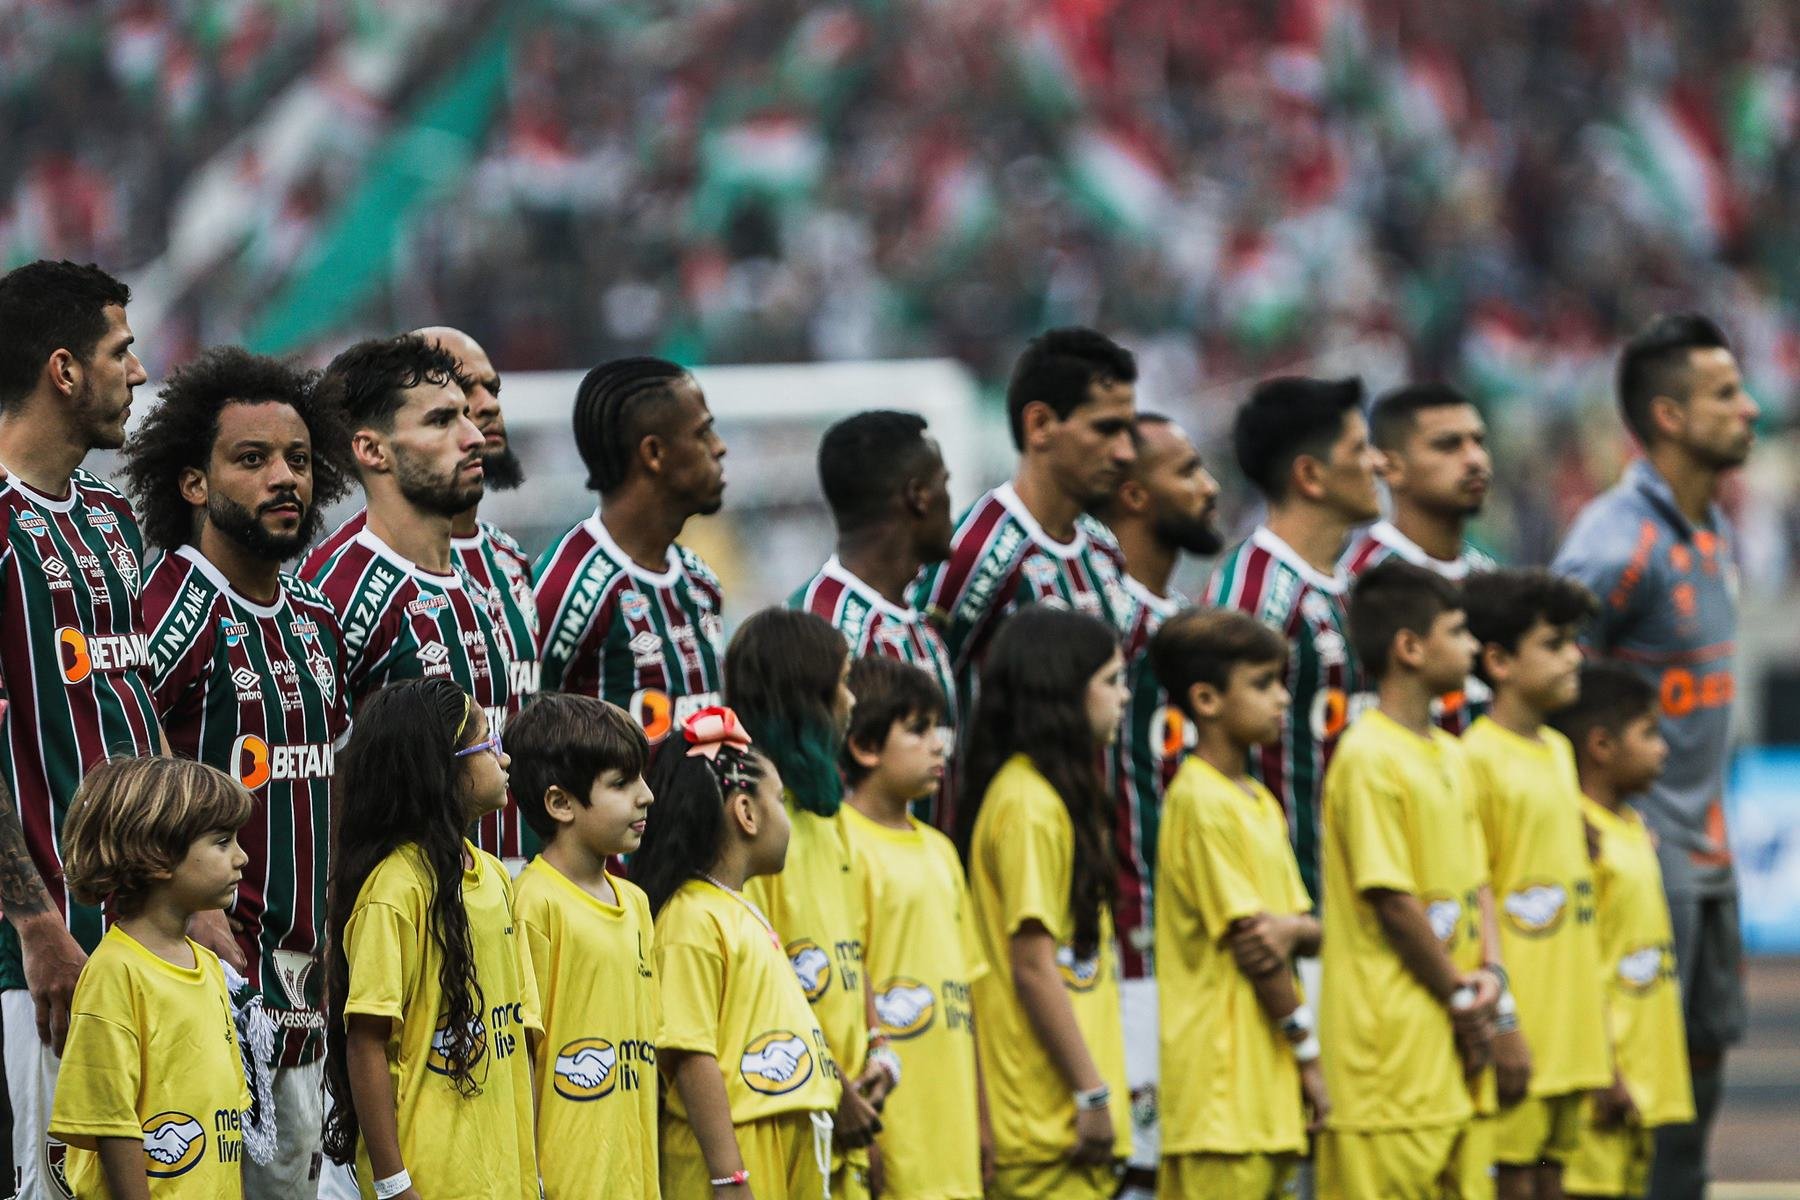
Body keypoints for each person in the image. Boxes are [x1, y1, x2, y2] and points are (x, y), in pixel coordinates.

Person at [0, 260, 214, 1200]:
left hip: (147, 938)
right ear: (63, 370)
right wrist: (35, 922)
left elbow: (137, 714)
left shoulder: (108, 518)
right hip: (42, 961)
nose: (138, 372)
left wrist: (191, 883)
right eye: (121, 352)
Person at [121, 345, 354, 1198]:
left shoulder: (317, 619)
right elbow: (120, 767)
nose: (283, 478)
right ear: (194, 485)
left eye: (297, 459)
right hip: (216, 974)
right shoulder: (177, 605)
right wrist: (183, 910)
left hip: (308, 977)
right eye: (251, 460)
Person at [1551, 313, 1755, 1200]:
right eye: (1725, 394)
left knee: (1704, 1051)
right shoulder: (1612, 542)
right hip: (1637, 852)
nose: (1749, 408)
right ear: (1668, 417)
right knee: (1631, 1068)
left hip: (1707, 839)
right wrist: (1581, 820)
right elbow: (1540, 669)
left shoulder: (1708, 526)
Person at [1317, 561, 1498, 1199]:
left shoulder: (1452, 752)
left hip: (1452, 1058)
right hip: (1385, 1067)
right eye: (1459, 630)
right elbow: (1392, 902)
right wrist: (1460, 997)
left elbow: (1479, 884)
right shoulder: (1368, 757)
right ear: (1410, 648)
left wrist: (1491, 981)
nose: (1474, 646)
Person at [301, 334, 519, 862]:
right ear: (372, 449)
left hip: (491, 903)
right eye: (442, 421)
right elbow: (319, 786)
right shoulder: (339, 592)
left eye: (467, 415)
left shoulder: (479, 578)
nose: (473, 436)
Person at [321, 680, 540, 1200]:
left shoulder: (494, 878)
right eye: (488, 744)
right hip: (430, 1182)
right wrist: (395, 1184)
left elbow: (518, 1036)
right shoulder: (395, 891)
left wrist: (525, 1167)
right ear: (441, 769)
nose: (504, 758)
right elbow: (367, 1043)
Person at [914, 328, 1136, 829]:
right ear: (1039, 425)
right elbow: (922, 693)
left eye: (1129, 431)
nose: (1125, 452)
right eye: (1106, 429)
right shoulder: (978, 549)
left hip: (1083, 845)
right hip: (1002, 849)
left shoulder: (1103, 552)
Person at [1148, 609, 1326, 1199]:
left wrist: (1295, 929)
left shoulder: (1258, 801)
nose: (1281, 699)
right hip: (1221, 1094)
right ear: (1206, 699)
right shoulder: (1199, 800)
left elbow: (1305, 930)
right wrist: (1307, 1054)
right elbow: (1257, 945)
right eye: (1262, 684)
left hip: (1262, 1095)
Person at [632, 707, 841, 1200]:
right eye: (781, 800)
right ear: (746, 812)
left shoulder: (734, 907)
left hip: (782, 1143)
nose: (787, 816)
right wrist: (729, 1179)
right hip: (740, 1155)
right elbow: (690, 1054)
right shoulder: (690, 917)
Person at [962, 605, 1132, 1199]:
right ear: (1062, 692)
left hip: (1055, 1123)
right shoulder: (1028, 805)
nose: (1125, 696)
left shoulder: (1041, 796)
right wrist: (1091, 1093)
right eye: (1111, 681)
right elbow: (1033, 967)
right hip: (1044, 1123)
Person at [1094, 412, 1223, 1191]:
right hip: (1122, 953)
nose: (1208, 488)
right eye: (1188, 471)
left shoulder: (1184, 624)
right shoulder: (1094, 618)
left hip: (1200, 948)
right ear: (1135, 494)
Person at [726, 609, 888, 1198]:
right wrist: (836, 1087)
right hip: (793, 1121)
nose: (850, 702)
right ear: (805, 698)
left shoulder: (830, 816)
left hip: (850, 1120)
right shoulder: (753, 820)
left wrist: (877, 1052)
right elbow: (766, 984)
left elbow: (854, 956)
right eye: (841, 683)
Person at [1461, 569, 1611, 1199]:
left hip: (1572, 1026)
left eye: (1574, 640)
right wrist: (1504, 1024)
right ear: (1498, 660)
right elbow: (1479, 893)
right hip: (1522, 1029)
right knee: (1512, 1181)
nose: (1574, 656)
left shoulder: (1556, 749)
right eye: (1553, 643)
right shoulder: (1474, 756)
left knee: (1554, 1179)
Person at [1204, 376, 1381, 902]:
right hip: (1290, 909)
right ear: (1310, 474)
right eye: (1360, 449)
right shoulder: (1253, 595)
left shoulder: (1352, 586)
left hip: (1362, 905)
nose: (1378, 463)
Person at [49, 757, 253, 1199]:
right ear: (158, 856)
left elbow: (226, 1122)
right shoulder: (114, 974)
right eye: (222, 842)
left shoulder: (208, 968)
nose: (242, 857)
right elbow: (111, 1124)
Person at [839, 656, 986, 1200]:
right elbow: (849, 993)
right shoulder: (843, 844)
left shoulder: (943, 851)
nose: (938, 745)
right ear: (865, 746)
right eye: (918, 730)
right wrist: (869, 1136)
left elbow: (964, 998)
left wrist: (983, 1121)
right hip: (894, 1133)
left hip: (954, 1141)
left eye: (939, 728)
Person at [507, 694, 659, 1199]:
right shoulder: (534, 902)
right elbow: (522, 1057)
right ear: (560, 803)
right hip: (566, 1181)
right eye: (621, 784)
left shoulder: (636, 903)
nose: (646, 796)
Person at [1549, 665, 1691, 1200]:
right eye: (1650, 734)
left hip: (1642, 1090)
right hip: (1602, 1092)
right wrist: (1605, 1071)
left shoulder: (1631, 828)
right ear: (1602, 745)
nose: (1664, 750)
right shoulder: (1576, 835)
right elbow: (1574, 963)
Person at [534, 357, 727, 745]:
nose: (719, 448)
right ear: (654, 453)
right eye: (703, 433)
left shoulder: (700, 580)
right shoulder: (567, 587)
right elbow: (522, 732)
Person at [791, 410, 957, 822]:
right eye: (944, 485)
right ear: (919, 496)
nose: (950, 501)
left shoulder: (914, 613)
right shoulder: (821, 627)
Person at [1342, 382, 1498, 733]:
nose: (1475, 460)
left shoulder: (1486, 576)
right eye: (1448, 445)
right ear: (1392, 468)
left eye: (1479, 441)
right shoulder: (1360, 583)